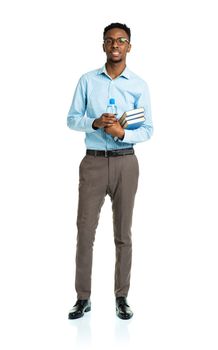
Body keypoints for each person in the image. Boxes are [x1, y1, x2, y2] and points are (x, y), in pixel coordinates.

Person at [67, 23, 153, 320]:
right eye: (109, 40)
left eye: (121, 40)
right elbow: (71, 118)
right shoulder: (87, 81)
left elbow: (148, 130)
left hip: (126, 162)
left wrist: (121, 132)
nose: (115, 44)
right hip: (92, 162)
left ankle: (122, 297)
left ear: (129, 46)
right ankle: (83, 298)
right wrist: (94, 122)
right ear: (103, 45)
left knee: (123, 234)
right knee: (85, 231)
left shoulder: (139, 85)